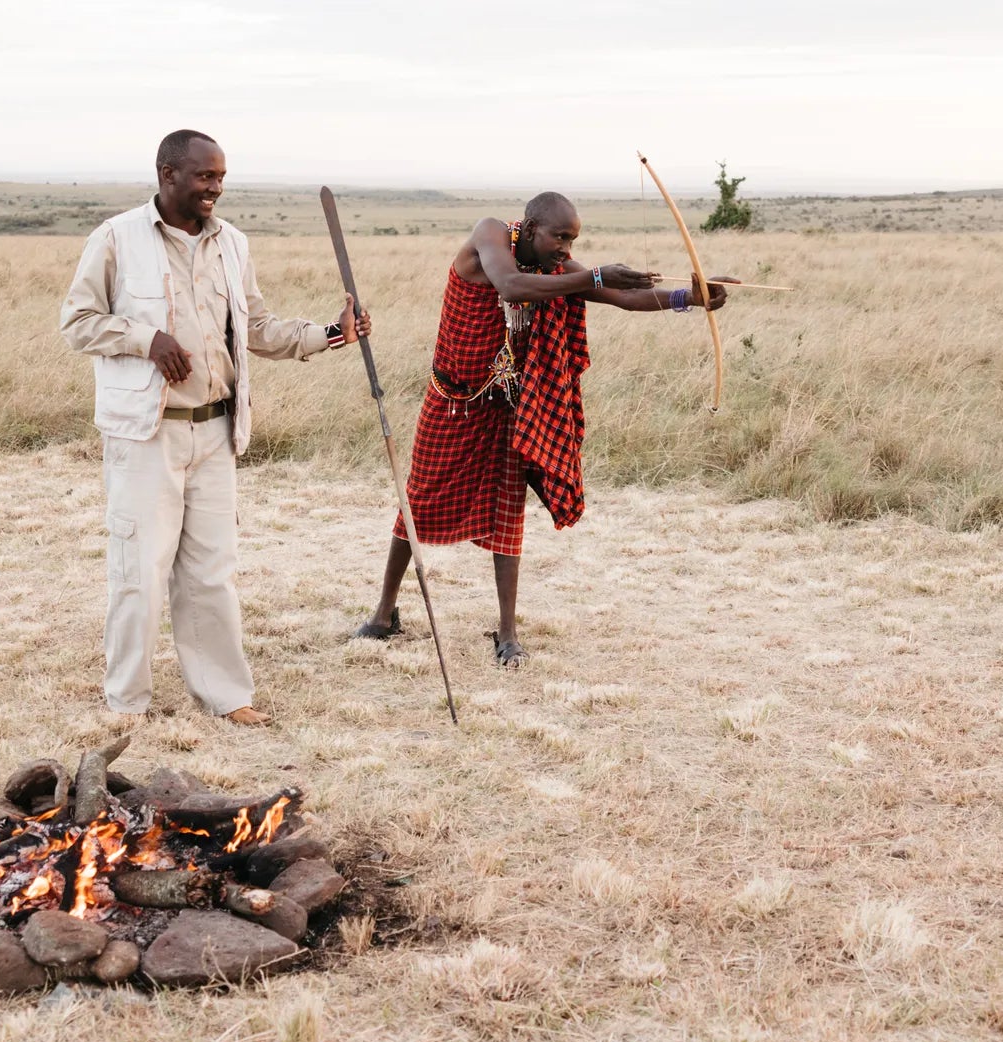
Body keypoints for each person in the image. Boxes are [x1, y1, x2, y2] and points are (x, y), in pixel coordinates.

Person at [60, 130, 368, 726]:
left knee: (212, 574)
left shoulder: (233, 245)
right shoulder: (117, 238)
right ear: (167, 174)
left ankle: (226, 697)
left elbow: (254, 326)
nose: (215, 188)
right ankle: (127, 702)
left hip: (217, 431)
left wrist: (329, 335)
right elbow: (77, 322)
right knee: (140, 571)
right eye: (205, 176)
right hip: (146, 433)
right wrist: (145, 340)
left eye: (221, 177)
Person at [354, 192, 727, 665]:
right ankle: (384, 614)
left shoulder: (559, 267)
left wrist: (689, 298)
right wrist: (590, 275)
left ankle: (507, 632)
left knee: (508, 512)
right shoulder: (491, 234)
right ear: (530, 229)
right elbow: (510, 287)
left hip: (508, 405)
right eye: (560, 236)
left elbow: (622, 296)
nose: (566, 247)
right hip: (451, 401)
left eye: (573, 239)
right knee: (418, 500)